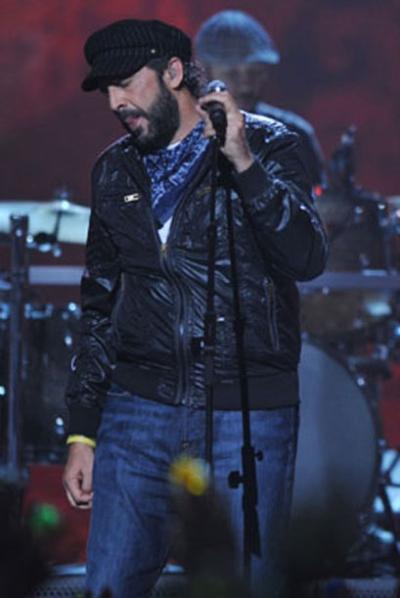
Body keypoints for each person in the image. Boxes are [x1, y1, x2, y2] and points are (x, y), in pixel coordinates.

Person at [62, 18, 327, 598]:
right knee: (110, 585)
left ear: (174, 72)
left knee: (247, 586)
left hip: (245, 408)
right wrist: (83, 432)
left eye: (126, 83)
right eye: (107, 90)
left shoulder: (269, 144)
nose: (116, 102)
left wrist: (245, 165)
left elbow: (307, 257)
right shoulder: (114, 170)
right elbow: (100, 303)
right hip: (138, 410)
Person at [195, 10, 326, 186]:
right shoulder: (183, 132)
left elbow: (312, 198)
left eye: (255, 73)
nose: (246, 86)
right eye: (233, 74)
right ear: (204, 72)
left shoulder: (292, 134)